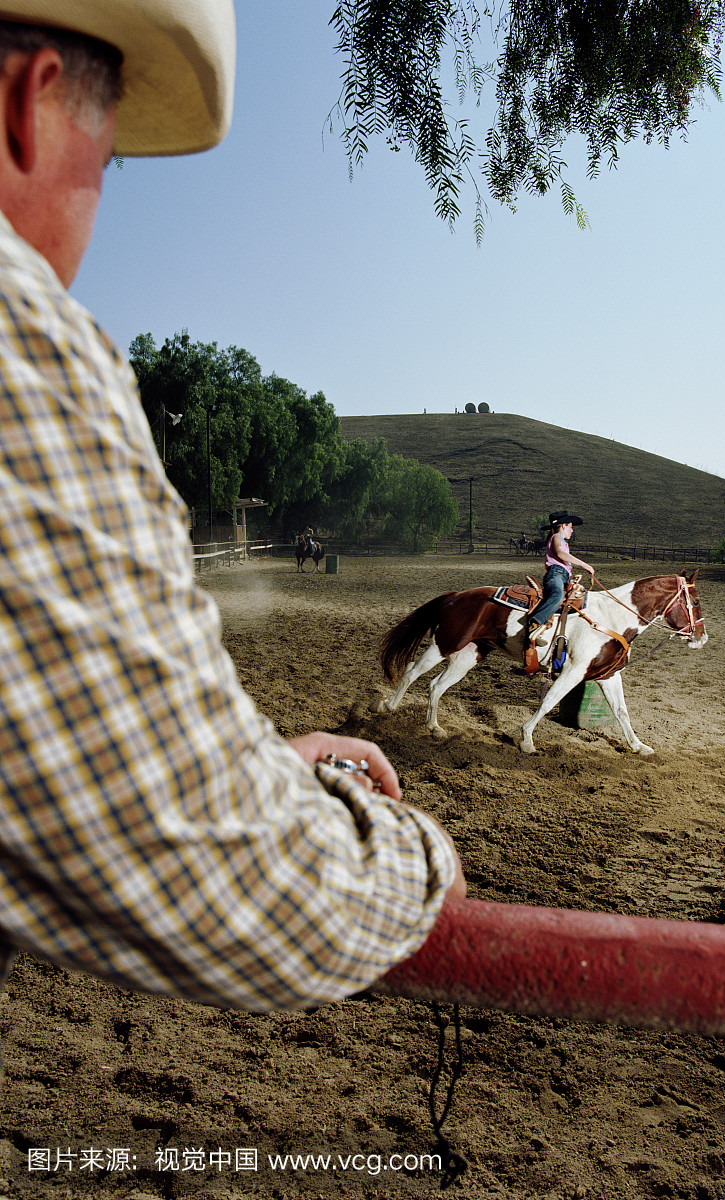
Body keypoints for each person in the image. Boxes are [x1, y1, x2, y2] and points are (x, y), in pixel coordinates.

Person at [0, 0, 463, 1013]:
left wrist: (245, 762)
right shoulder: (18, 337)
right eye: (107, 162)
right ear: (25, 105)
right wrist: (413, 856)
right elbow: (221, 885)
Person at [527, 510, 594, 636]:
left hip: (562, 575)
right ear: (564, 525)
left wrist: (571, 577)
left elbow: (563, 562)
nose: (572, 530)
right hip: (555, 574)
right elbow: (560, 554)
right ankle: (535, 623)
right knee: (557, 595)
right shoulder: (556, 537)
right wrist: (583, 564)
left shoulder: (564, 542)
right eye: (571, 527)